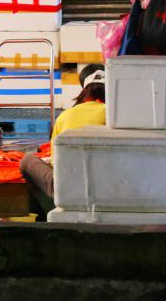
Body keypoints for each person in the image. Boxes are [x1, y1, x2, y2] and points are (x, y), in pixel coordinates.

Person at [19, 64, 107, 220]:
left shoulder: (66, 115)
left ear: (84, 92)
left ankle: (40, 215)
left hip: (67, 189)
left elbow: (55, 161)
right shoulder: (114, 116)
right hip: (107, 185)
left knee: (28, 160)